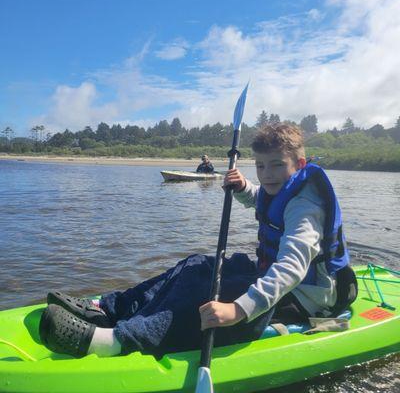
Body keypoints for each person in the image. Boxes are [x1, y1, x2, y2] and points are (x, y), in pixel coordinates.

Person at [39, 124, 357, 359]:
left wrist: (238, 310)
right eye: (261, 165)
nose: (267, 173)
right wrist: (245, 186)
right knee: (194, 265)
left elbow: (290, 270)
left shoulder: (307, 208)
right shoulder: (285, 190)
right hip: (271, 271)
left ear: (299, 165)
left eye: (277, 165)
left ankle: (117, 341)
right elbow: (267, 200)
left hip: (308, 294)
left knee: (202, 292)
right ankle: (109, 307)